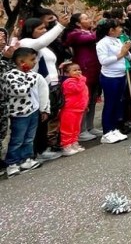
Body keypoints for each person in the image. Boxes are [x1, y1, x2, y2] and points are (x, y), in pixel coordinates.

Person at [19, 14, 68, 160]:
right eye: (40, 28)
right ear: (30, 29)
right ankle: (34, 151)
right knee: (39, 119)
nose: (44, 31)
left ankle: (42, 148)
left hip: (50, 85)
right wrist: (60, 26)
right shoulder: (26, 42)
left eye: (45, 28)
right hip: (34, 87)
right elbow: (40, 43)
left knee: (46, 117)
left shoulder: (43, 45)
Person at [1, 47, 49, 176]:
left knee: (29, 138)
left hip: (33, 110)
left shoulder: (34, 75)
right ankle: (12, 163)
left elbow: (42, 92)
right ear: (21, 61)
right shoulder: (10, 75)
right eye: (32, 60)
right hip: (19, 113)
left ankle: (26, 159)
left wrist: (44, 109)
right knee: (17, 139)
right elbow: (20, 91)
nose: (34, 62)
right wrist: (28, 78)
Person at [63, 13, 102, 141]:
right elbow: (90, 39)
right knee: (84, 99)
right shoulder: (75, 34)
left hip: (95, 67)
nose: (89, 19)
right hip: (84, 68)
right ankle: (81, 129)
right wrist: (99, 29)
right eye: (85, 18)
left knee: (93, 99)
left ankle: (90, 126)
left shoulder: (89, 32)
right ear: (78, 23)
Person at [95, 19, 131, 145]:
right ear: (111, 30)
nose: (121, 29)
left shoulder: (117, 40)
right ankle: (106, 132)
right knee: (110, 104)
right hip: (110, 77)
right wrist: (121, 53)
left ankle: (114, 128)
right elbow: (103, 61)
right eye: (119, 27)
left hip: (121, 75)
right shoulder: (102, 43)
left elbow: (129, 56)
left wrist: (127, 50)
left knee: (118, 102)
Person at [58, 62, 88, 156]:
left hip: (79, 108)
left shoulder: (79, 81)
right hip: (70, 109)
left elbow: (84, 94)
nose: (78, 72)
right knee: (67, 128)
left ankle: (74, 143)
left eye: (79, 69)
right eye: (74, 70)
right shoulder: (68, 82)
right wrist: (82, 79)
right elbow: (77, 89)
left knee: (76, 128)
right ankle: (66, 145)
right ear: (67, 73)